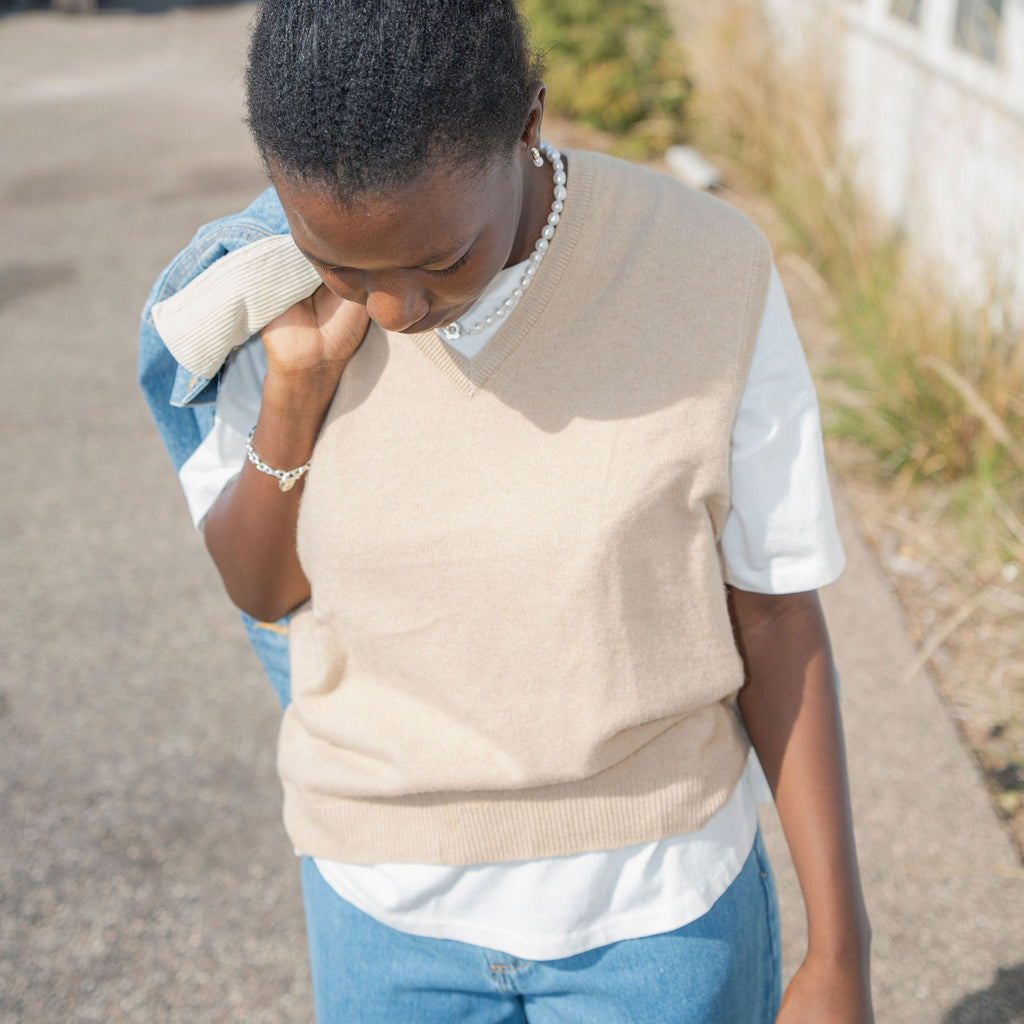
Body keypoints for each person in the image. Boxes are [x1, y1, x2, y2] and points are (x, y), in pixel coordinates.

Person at [138, 1, 873, 1020]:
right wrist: (295, 391)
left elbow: (777, 611)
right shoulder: (263, 294)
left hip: (655, 913)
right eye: (344, 259)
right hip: (377, 914)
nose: (391, 309)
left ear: (528, 123)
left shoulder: (708, 270)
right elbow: (263, 588)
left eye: (440, 261)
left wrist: (838, 954)